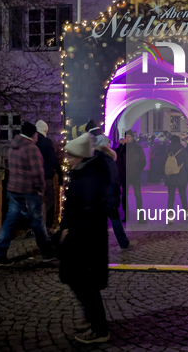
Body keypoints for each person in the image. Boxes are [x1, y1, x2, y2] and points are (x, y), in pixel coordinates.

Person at [59, 132, 111, 344]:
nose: (67, 160)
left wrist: (71, 232)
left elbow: (88, 211)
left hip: (86, 241)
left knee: (85, 284)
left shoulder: (89, 176)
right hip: (83, 239)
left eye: (70, 156)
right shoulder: (84, 172)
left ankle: (99, 330)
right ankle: (93, 320)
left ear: (80, 156)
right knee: (82, 283)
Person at [0, 122, 53, 266]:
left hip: (13, 189)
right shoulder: (31, 149)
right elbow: (38, 172)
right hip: (29, 191)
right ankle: (46, 253)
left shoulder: (13, 146)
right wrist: (41, 188)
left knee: (9, 223)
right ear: (34, 134)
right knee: (38, 222)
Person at [94, 134, 133, 246]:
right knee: (114, 218)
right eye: (108, 144)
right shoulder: (109, 159)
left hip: (101, 195)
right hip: (109, 194)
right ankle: (123, 242)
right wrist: (116, 196)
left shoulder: (95, 158)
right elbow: (113, 180)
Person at [35, 120, 63, 231]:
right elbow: (53, 160)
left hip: (35, 179)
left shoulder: (33, 142)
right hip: (47, 177)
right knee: (50, 202)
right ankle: (49, 226)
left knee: (36, 203)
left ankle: (36, 226)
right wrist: (60, 174)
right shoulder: (47, 143)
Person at [115, 130, 146, 222]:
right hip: (124, 175)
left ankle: (140, 216)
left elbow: (143, 160)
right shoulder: (122, 147)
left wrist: (138, 169)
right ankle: (126, 215)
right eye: (126, 136)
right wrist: (121, 146)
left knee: (138, 195)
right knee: (124, 195)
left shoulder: (137, 148)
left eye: (129, 136)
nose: (127, 138)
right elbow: (116, 155)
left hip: (135, 175)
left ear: (132, 138)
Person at [165, 135, 188, 212]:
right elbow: (187, 165)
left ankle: (170, 216)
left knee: (171, 197)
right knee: (183, 196)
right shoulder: (183, 151)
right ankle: (185, 212)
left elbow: (164, 163)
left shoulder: (167, 151)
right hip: (181, 176)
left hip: (170, 176)